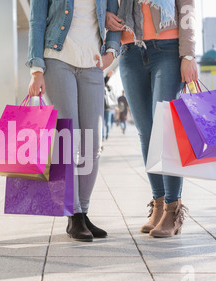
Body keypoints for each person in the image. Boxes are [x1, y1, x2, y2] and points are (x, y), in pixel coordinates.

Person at [28, 0, 120, 242]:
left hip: (92, 64)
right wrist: (36, 69)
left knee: (92, 144)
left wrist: (111, 51)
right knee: (69, 140)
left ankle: (84, 211)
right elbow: (37, 21)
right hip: (57, 59)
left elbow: (116, 18)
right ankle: (74, 214)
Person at [106, 0, 198, 238]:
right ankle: (158, 205)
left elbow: (187, 8)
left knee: (166, 130)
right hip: (129, 50)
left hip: (167, 49)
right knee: (146, 132)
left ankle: (173, 209)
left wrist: (188, 54)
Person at [103, 70, 116, 141]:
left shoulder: (108, 88)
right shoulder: (103, 86)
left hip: (107, 108)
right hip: (103, 107)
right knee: (103, 122)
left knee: (106, 122)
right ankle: (102, 136)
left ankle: (106, 134)